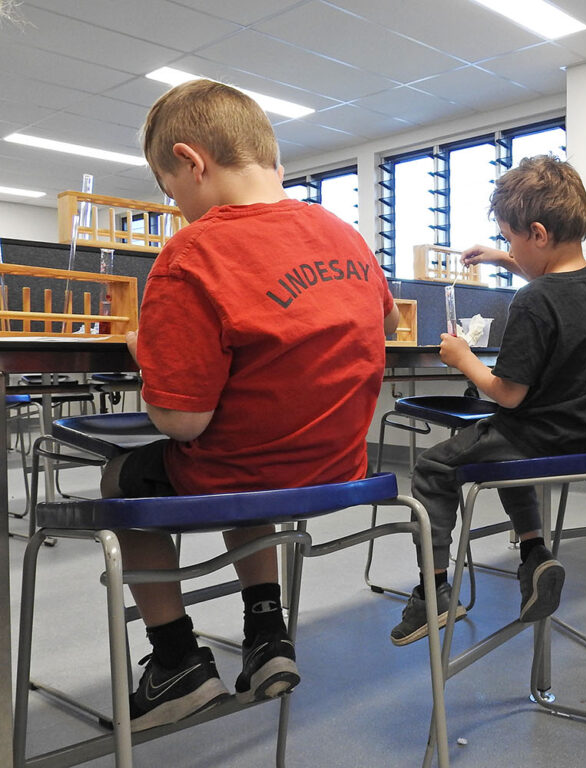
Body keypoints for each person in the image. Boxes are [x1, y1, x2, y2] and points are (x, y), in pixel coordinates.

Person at [101, 78, 399, 732]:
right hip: (340, 473)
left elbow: (183, 421)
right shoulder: (348, 238)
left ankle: (175, 660)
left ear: (193, 161)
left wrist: (151, 354)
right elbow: (376, 331)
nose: (175, 204)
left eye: (170, 187)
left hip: (245, 473)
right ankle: (268, 635)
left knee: (125, 476)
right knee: (250, 451)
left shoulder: (193, 253)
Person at [389, 156, 586, 646]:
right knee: (496, 450)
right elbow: (555, 280)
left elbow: (508, 393)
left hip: (531, 439)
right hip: (583, 438)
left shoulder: (532, 303)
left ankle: (433, 594)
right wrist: (501, 257)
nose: (511, 247)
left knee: (436, 467)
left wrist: (463, 357)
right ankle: (535, 556)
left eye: (512, 239)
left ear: (537, 233)